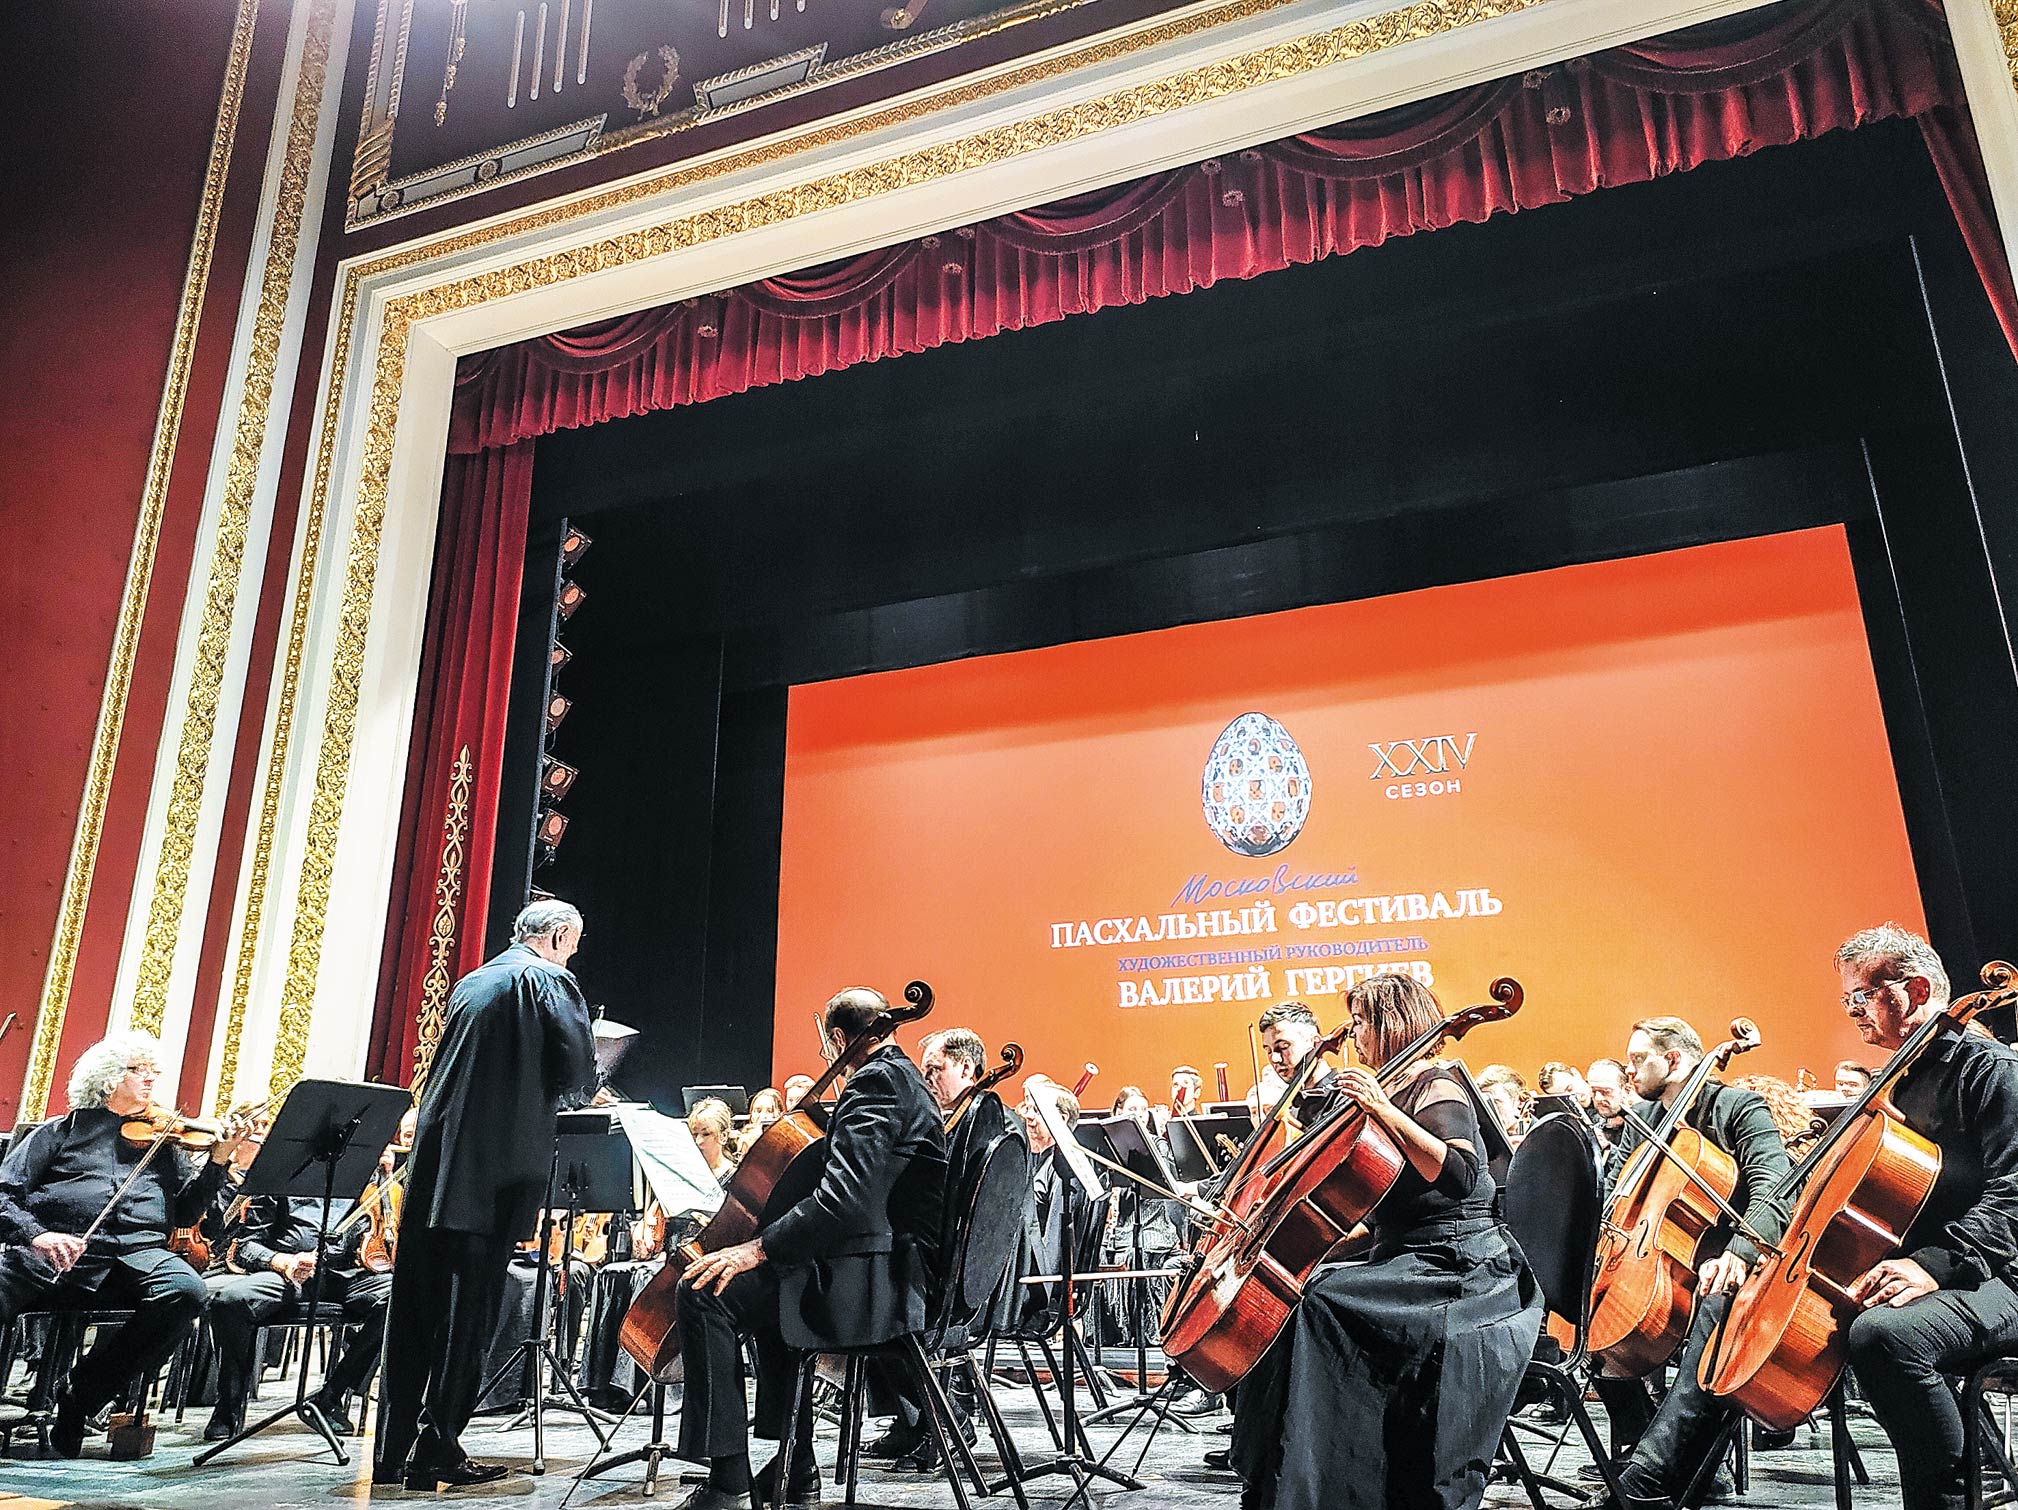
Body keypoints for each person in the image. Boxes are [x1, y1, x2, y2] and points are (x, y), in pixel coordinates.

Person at [1230, 974, 1542, 1510]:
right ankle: (1277, 1481)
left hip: (1460, 1269)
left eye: (1362, 1022)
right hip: (1405, 1258)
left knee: (1319, 1302)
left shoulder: (1438, 1084)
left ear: (1393, 1023)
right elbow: (1376, 1219)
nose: (1354, 1035)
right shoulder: (1391, 1088)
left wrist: (1382, 1108)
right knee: (1297, 1294)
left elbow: (1460, 1175)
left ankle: (1325, 1486)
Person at [669, 986, 947, 1510]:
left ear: (839, 1039)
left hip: (874, 1287)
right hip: (888, 1273)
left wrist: (756, 1250)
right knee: (773, 1279)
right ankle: (795, 1465)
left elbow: (843, 1201)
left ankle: (728, 1482)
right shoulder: (907, 1080)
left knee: (704, 1291)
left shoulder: (875, 1083)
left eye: (828, 1045)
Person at [373, 898, 599, 1490]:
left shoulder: (472, 982)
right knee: (470, 1315)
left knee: (417, 1305)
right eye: (574, 943)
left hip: (437, 1162)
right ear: (558, 937)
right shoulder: (550, 980)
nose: (573, 954)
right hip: (495, 1169)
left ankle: (392, 1454)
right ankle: (438, 1447)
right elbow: (579, 1076)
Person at [1829, 923, 2018, 1510]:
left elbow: (2014, 1197)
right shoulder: (1900, 1079)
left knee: (1885, 1335)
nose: (1853, 1011)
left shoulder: (1991, 1071)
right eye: (1848, 999)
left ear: (1913, 991)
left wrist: (1933, 1265)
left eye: (1862, 995)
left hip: (2002, 1274)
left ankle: (1952, 1496)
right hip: (1944, 1271)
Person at [0, 1032, 253, 1457]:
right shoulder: (58, 1134)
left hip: (137, 1257)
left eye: (154, 1071)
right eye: (139, 1070)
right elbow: (4, 1194)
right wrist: (37, 1235)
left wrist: (218, 1160)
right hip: (56, 1256)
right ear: (106, 1079)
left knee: (187, 1291)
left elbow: (186, 1213)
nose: (151, 1079)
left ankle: (81, 1395)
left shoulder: (165, 1143)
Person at [1591, 1016, 1793, 1509]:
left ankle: (1653, 1472)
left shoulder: (1738, 1107)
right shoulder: (1644, 1117)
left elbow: (1776, 1186)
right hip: (1657, 1255)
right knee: (1585, 1315)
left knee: (1717, 1306)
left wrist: (1739, 1252)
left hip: (1733, 1261)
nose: (1630, 1069)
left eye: (1639, 1059)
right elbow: (1618, 1191)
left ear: (1674, 1059)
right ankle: (1652, 1448)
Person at [202, 1116, 403, 1440]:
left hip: (342, 1275)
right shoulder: (278, 1176)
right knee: (230, 1301)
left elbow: (374, 1235)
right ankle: (228, 1407)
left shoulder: (360, 1182)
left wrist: (382, 1179)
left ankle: (332, 1397)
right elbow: (245, 1246)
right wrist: (282, 1261)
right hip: (288, 1275)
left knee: (400, 1297)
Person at [920, 1028, 986, 1113]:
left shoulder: (994, 1116)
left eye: (934, 1068)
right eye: (923, 1071)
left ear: (966, 1068)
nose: (924, 1080)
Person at [1476, 1063, 1531, 1144]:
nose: (1487, 1111)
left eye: (1495, 1103)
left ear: (1520, 1102)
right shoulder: (1481, 1137)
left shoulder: (1543, 1136)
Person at [1587, 1058, 1630, 1150]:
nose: (1598, 1098)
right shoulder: (1590, 1120)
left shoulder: (1640, 1124)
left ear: (1626, 1090)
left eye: (1606, 1092)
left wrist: (1606, 1148)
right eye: (1593, 1091)